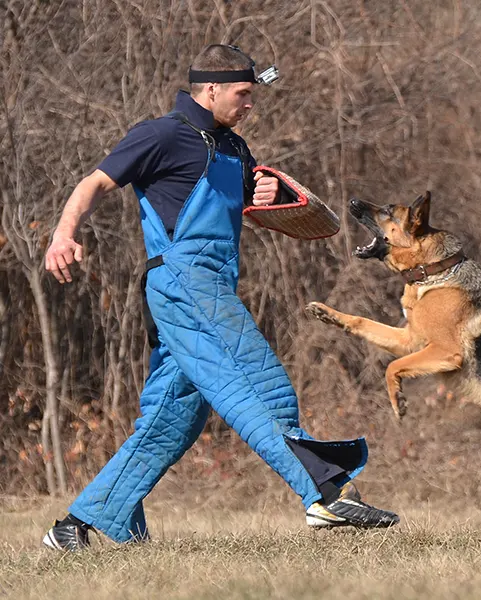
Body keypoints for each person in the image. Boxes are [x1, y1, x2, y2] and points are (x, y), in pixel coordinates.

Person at [42, 44, 399, 551]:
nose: (250, 104)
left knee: (175, 416)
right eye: (243, 94)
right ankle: (324, 493)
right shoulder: (160, 134)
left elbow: (254, 196)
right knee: (259, 381)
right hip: (184, 282)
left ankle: (74, 526)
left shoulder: (234, 146)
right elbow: (94, 183)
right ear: (210, 89)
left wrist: (266, 193)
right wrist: (64, 234)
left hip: (212, 285)